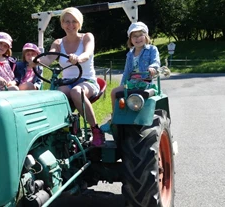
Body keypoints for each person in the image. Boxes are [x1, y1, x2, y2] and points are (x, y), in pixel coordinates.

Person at [32, 7, 104, 147]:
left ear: (79, 23)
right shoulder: (58, 43)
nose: (70, 25)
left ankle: (95, 129)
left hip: (87, 81)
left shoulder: (87, 37)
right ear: (62, 24)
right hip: (67, 82)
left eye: (74, 21)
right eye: (66, 21)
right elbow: (50, 57)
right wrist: (36, 61)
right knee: (54, 96)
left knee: (76, 92)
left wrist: (78, 58)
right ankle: (57, 132)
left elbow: (87, 53)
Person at [110, 21, 160, 112]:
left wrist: (152, 67)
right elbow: (127, 72)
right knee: (114, 92)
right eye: (134, 36)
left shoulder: (152, 49)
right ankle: (115, 117)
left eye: (140, 35)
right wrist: (123, 85)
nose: (137, 38)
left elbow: (156, 62)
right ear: (130, 39)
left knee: (146, 98)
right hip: (131, 83)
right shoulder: (130, 54)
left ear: (146, 36)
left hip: (146, 83)